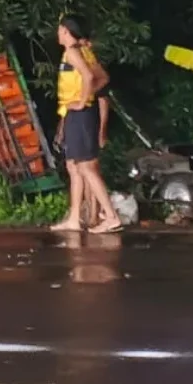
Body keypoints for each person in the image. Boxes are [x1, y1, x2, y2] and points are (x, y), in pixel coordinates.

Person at [50, 15, 121, 234]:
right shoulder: (82, 51)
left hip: (80, 115)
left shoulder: (73, 52)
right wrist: (86, 98)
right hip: (75, 114)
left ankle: (111, 216)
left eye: (60, 29)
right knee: (74, 166)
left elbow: (90, 77)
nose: (57, 33)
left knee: (86, 167)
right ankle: (74, 218)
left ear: (65, 31)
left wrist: (82, 102)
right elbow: (103, 78)